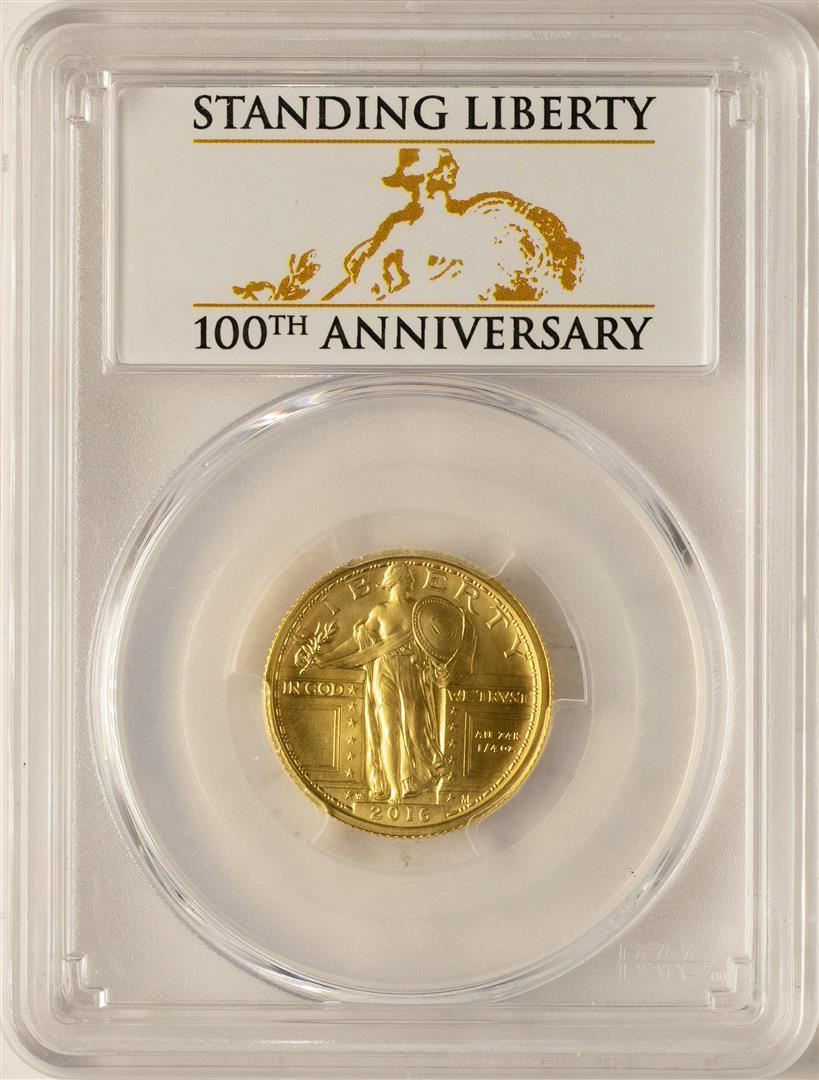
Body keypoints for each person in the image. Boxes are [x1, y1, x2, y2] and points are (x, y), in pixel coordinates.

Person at [320, 563, 447, 803]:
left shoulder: (419, 610)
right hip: (384, 673)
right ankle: (394, 789)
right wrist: (328, 657)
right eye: (409, 577)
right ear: (397, 580)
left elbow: (435, 642)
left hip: (412, 674)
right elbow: (356, 643)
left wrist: (441, 664)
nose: (413, 582)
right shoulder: (379, 611)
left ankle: (412, 781)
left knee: (415, 730)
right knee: (389, 729)